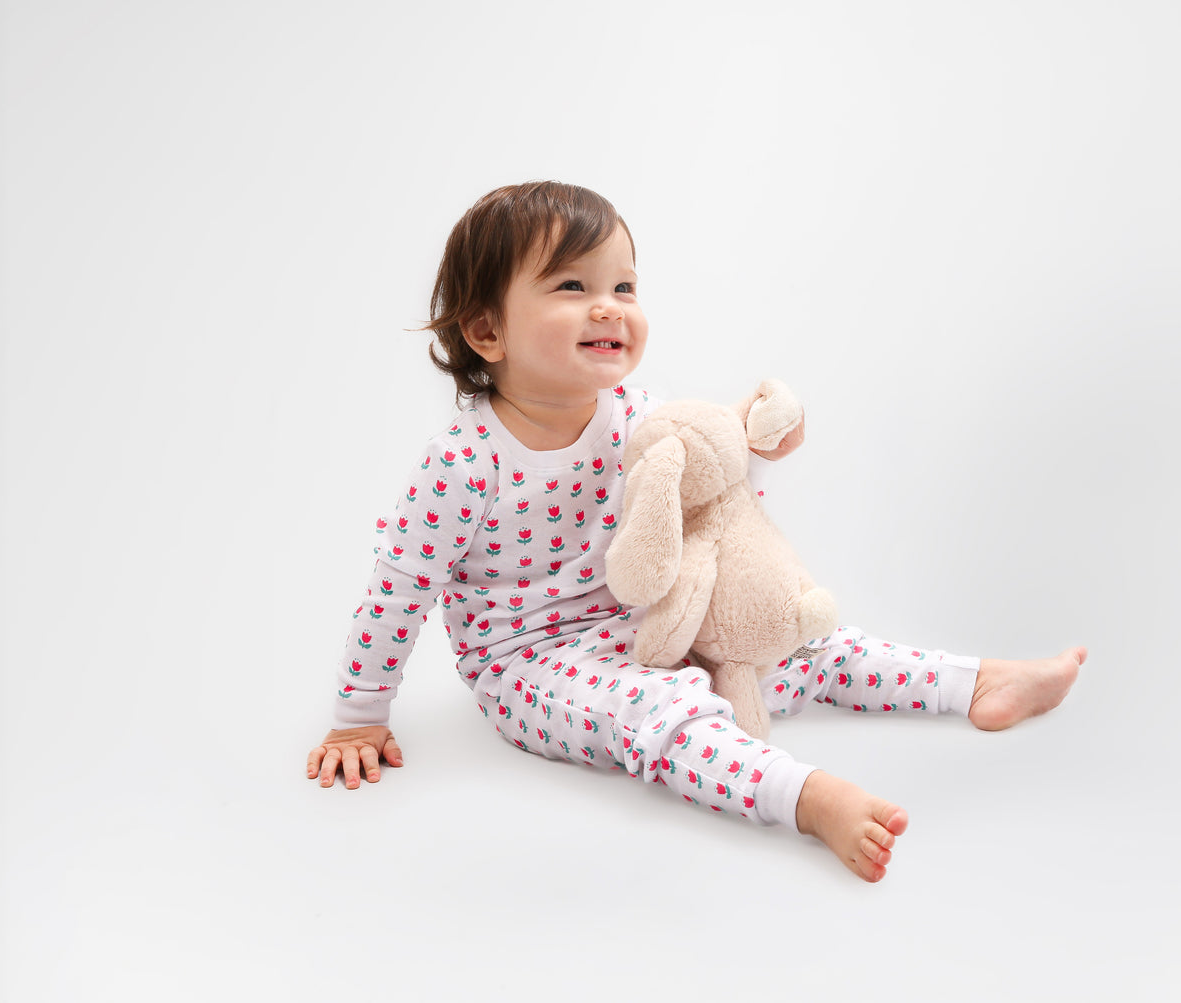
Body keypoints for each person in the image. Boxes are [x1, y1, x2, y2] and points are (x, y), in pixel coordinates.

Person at [304, 180, 1086, 882]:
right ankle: (804, 796)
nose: (609, 305)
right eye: (572, 286)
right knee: (660, 714)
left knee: (792, 643)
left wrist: (761, 452)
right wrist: (358, 717)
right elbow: (397, 589)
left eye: (623, 284)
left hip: (650, 614)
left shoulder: (642, 417)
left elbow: (716, 500)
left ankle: (972, 680)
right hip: (532, 662)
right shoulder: (466, 464)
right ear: (487, 333)